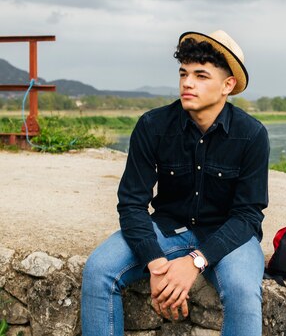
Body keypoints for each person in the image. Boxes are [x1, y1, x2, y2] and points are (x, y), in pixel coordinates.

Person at [81, 30, 270, 336]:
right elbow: (131, 202)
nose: (187, 83)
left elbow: (248, 216)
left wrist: (195, 261)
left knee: (242, 290)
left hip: (228, 234)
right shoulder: (152, 126)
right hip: (169, 228)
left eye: (201, 75)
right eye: (184, 73)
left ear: (227, 85)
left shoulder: (252, 135)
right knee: (98, 269)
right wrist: (155, 263)